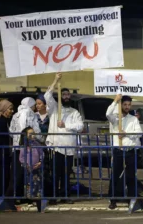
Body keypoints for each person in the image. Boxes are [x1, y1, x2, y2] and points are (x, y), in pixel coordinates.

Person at [44, 73, 84, 204]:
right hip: (56, 146)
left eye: (68, 95)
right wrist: (55, 80)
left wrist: (66, 125)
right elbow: (47, 96)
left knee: (66, 173)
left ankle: (65, 195)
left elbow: (80, 126)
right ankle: (54, 196)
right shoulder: (54, 108)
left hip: (69, 147)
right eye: (64, 95)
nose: (66, 97)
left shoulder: (74, 112)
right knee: (55, 173)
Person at [106, 94, 143, 210]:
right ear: (121, 105)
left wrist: (126, 134)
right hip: (118, 151)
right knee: (115, 176)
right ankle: (113, 199)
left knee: (131, 176)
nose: (127, 107)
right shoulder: (115, 118)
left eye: (129, 105)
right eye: (125, 104)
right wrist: (115, 101)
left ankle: (131, 200)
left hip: (130, 151)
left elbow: (139, 133)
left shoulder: (133, 119)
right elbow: (107, 114)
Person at [19, 127, 44, 198]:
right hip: (28, 169)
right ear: (26, 135)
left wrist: (40, 162)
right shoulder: (24, 146)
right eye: (30, 134)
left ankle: (38, 198)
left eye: (33, 133)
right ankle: (29, 198)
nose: (33, 135)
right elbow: (21, 158)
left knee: (38, 183)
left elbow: (42, 154)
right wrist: (26, 165)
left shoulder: (37, 144)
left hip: (37, 168)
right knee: (29, 184)